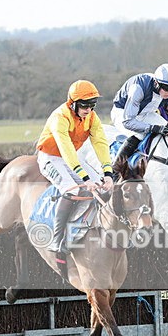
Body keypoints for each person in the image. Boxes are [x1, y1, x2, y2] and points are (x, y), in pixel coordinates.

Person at [36, 80, 114, 267]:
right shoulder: (60, 117)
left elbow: (100, 143)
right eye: (85, 105)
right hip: (51, 157)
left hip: (71, 157)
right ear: (73, 103)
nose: (89, 110)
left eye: (92, 105)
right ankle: (57, 239)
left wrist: (108, 173)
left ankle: (86, 229)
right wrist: (85, 179)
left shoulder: (92, 118)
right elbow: (66, 148)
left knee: (102, 189)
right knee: (73, 191)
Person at [111, 63, 168, 163]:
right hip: (122, 113)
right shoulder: (138, 88)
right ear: (156, 83)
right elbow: (128, 122)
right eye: (167, 88)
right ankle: (115, 169)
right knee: (139, 135)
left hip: (146, 114)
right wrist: (151, 128)